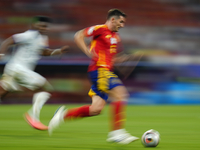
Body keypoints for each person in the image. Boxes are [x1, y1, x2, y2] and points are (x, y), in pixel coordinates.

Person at [48, 9, 143, 144]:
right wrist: (88, 51)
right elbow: (78, 35)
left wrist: (129, 58)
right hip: (98, 71)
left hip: (105, 72)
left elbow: (113, 59)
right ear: (112, 20)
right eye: (121, 22)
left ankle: (62, 116)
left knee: (96, 109)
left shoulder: (115, 38)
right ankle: (117, 133)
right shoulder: (100, 29)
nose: (122, 25)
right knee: (121, 95)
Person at [0, 16, 69, 130]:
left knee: (3, 93)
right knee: (44, 88)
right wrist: (1, 54)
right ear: (33, 25)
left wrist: (58, 51)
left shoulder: (42, 38)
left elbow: (44, 52)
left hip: (15, 70)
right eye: (41, 25)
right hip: (18, 69)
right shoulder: (28, 35)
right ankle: (33, 117)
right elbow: (9, 41)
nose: (44, 28)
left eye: (45, 26)